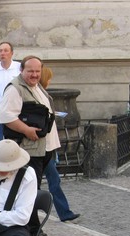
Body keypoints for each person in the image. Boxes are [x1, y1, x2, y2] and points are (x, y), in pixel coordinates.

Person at [0, 55, 58, 236]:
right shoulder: (15, 89)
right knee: (30, 189)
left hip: (43, 148)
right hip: (29, 148)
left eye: (37, 71)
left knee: (33, 187)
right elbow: (6, 116)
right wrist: (26, 130)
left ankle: (29, 228)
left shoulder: (37, 86)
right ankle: (32, 230)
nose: (34, 74)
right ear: (21, 70)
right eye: (30, 71)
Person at [39, 66, 80, 223]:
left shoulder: (44, 94)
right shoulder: (39, 93)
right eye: (49, 78)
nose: (50, 81)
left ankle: (65, 212)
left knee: (53, 180)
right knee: (47, 181)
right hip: (43, 146)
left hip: (48, 145)